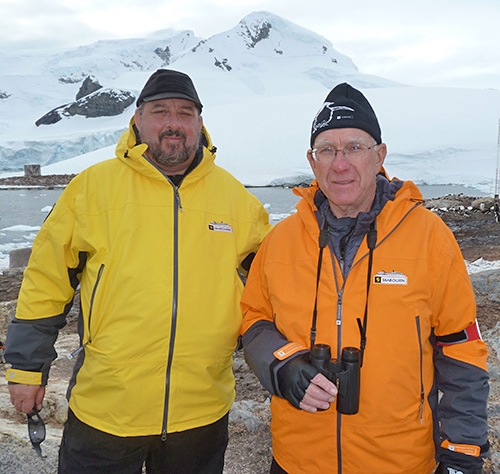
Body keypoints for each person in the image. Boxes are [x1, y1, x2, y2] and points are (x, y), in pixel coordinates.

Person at [5, 68, 272, 474]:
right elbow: (45, 281)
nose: (173, 124)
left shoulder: (235, 199)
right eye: (160, 111)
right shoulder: (93, 189)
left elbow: (276, 280)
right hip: (107, 411)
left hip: (200, 413)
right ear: (137, 119)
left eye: (185, 113)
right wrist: (26, 369)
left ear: (199, 123)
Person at [240, 83, 490, 474]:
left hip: (400, 463)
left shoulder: (428, 237)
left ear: (380, 156)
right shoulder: (281, 241)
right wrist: (284, 366)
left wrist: (461, 452)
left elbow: (461, 346)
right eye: (328, 150)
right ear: (312, 161)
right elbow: (253, 320)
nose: (340, 164)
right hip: (298, 462)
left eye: (354, 147)